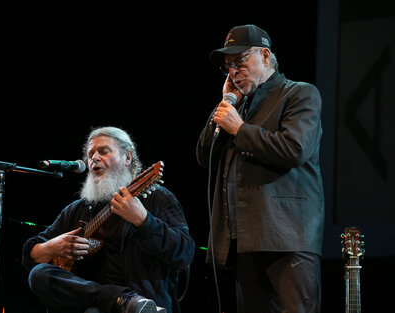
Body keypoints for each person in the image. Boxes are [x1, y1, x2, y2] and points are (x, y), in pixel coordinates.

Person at [196, 24, 324, 313]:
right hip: (244, 239)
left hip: (287, 237)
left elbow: (295, 149)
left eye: (239, 62)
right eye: (228, 66)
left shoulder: (300, 94)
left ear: (265, 56)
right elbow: (205, 156)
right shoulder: (236, 107)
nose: (232, 72)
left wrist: (239, 130)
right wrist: (225, 103)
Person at [23, 126, 195, 313]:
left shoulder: (158, 198)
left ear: (128, 157)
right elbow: (31, 252)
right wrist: (52, 247)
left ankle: (128, 302)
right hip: (93, 306)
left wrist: (143, 220)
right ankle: (122, 299)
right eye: (90, 154)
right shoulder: (78, 209)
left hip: (145, 305)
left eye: (104, 151)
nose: (94, 158)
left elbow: (184, 253)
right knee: (38, 274)